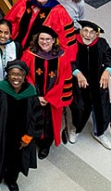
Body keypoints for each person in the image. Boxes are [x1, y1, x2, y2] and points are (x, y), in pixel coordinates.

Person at [0, 60, 43, 191]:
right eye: (12, 74)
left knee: (17, 158)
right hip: (1, 133)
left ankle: (11, 180)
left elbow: (36, 117)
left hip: (21, 135)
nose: (16, 78)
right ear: (7, 75)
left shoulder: (31, 92)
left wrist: (28, 137)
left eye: (19, 74)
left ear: (24, 76)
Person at [21, 27, 73, 158]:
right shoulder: (29, 54)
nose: (44, 42)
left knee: (49, 123)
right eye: (42, 39)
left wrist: (49, 98)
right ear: (37, 40)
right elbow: (22, 75)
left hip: (52, 100)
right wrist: (35, 95)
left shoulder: (62, 57)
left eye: (48, 39)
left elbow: (64, 80)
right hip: (33, 96)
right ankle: (32, 140)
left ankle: (45, 145)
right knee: (31, 119)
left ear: (54, 40)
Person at [69, 21, 111, 150]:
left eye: (92, 32)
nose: (88, 35)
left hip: (98, 81)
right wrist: (77, 73)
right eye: (85, 30)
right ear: (80, 30)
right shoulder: (72, 41)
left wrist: (107, 71)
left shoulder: (101, 44)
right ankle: (76, 128)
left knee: (102, 107)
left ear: (96, 35)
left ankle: (99, 132)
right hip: (78, 82)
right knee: (80, 107)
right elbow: (66, 61)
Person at [3, 0, 77, 55]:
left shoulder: (59, 12)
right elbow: (9, 21)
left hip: (38, 55)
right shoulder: (25, 2)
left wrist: (64, 58)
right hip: (14, 47)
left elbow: (66, 38)